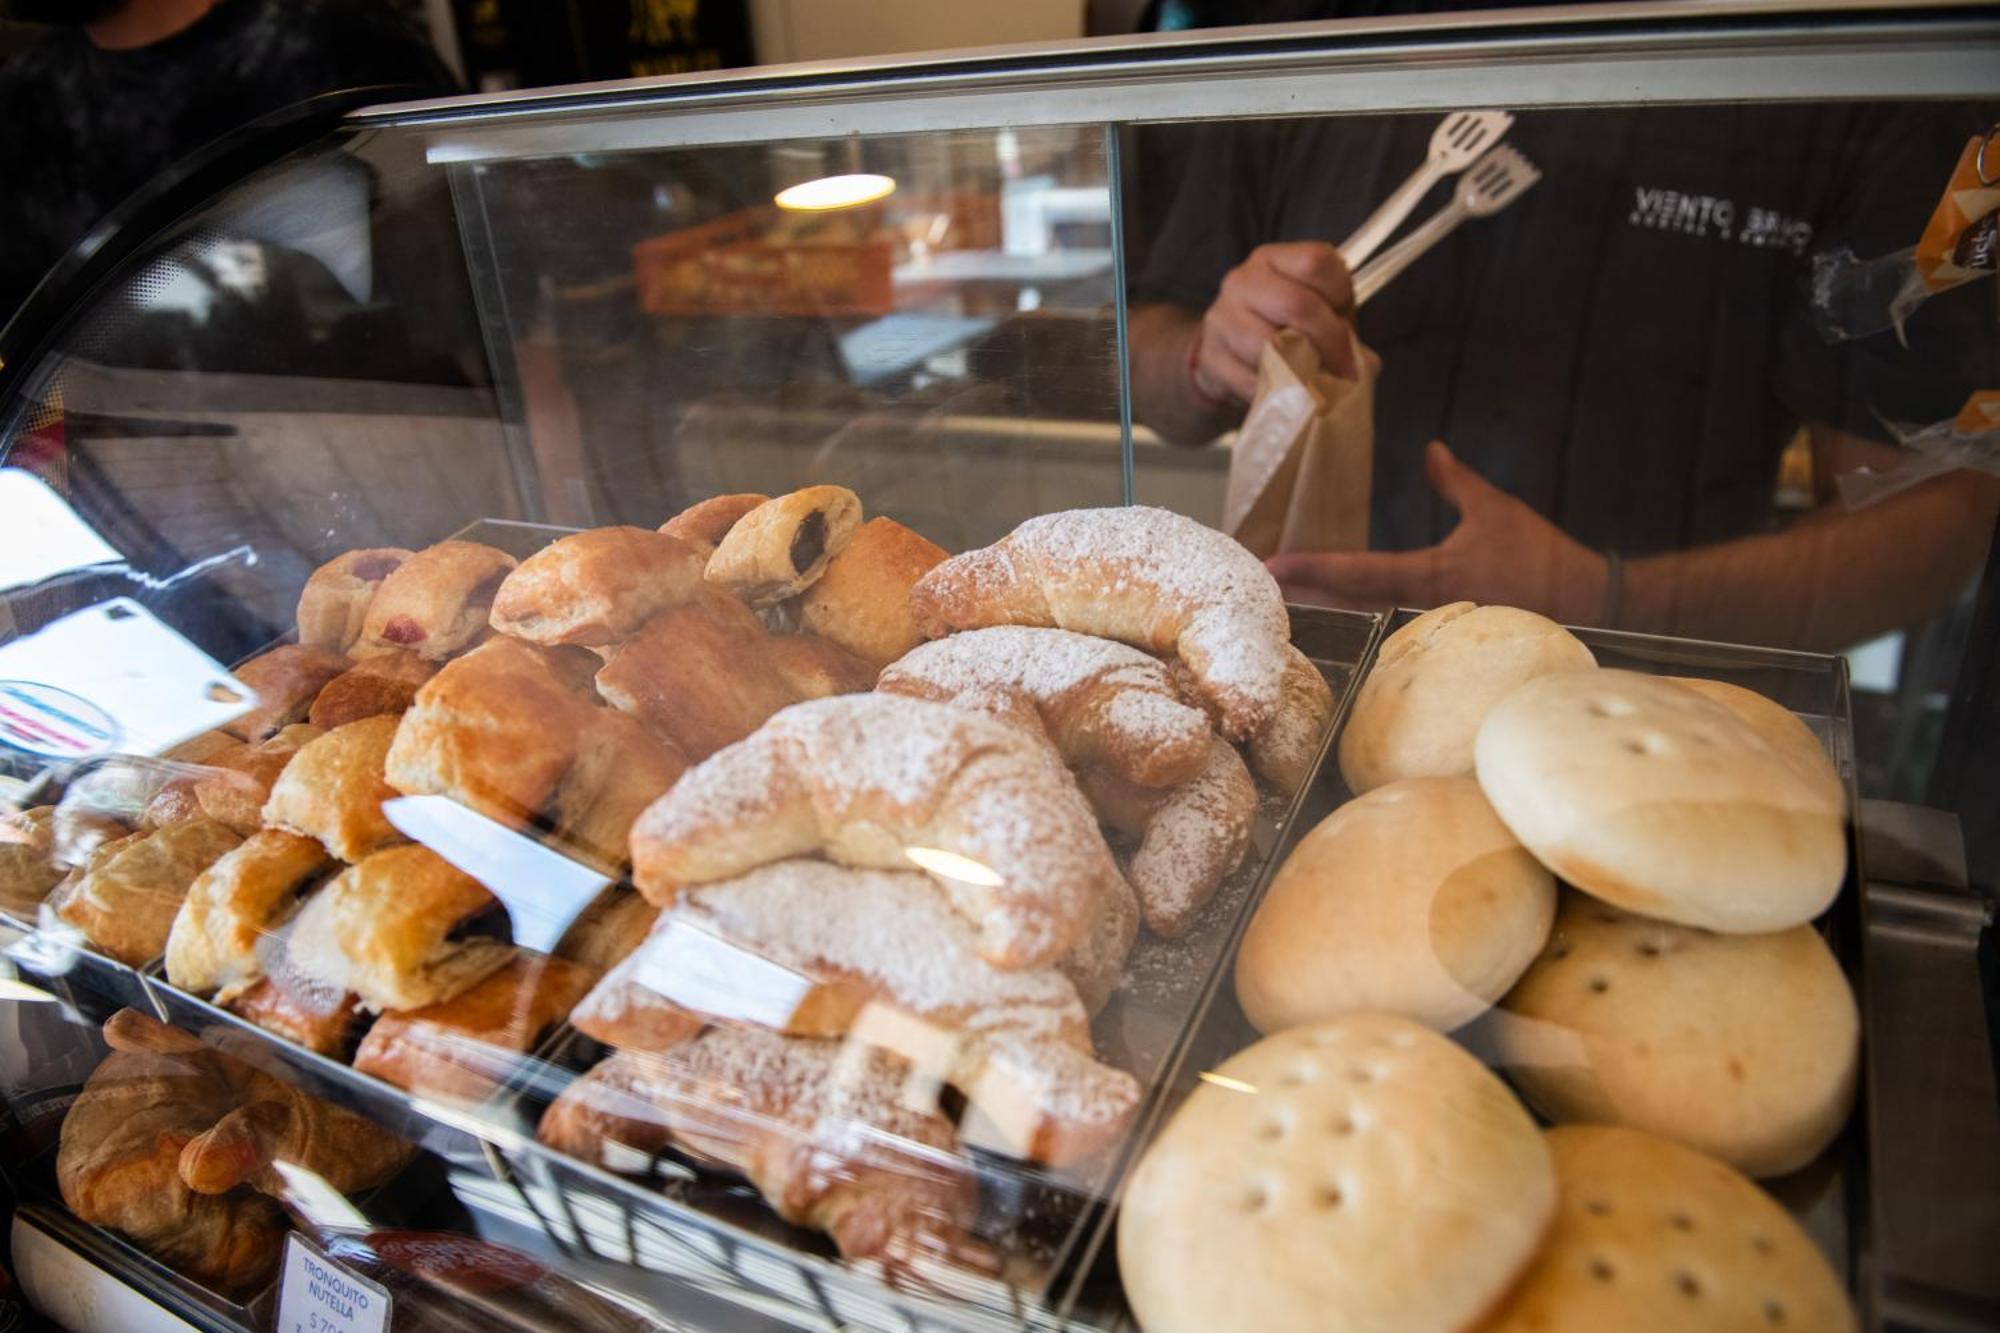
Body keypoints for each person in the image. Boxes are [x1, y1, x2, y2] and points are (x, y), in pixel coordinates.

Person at [1128, 30, 2000, 652]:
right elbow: (1152, 363)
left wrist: (1613, 601)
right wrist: (1210, 358)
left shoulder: (1834, 67)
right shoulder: (1304, 39)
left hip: (1642, 711)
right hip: (1312, 669)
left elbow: (1941, 511)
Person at [0, 0, 456, 322]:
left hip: (370, 410)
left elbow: (479, 255)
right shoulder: (27, 100)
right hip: (117, 437)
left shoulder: (329, 44)